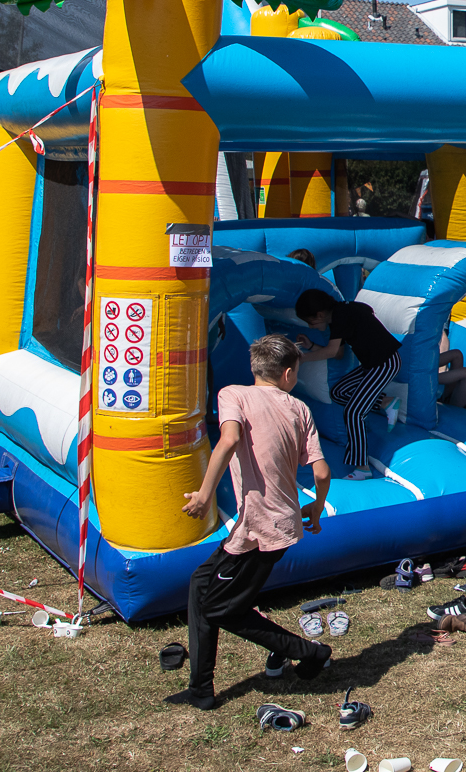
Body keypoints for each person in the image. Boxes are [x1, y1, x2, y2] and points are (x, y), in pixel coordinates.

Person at [170, 334, 332, 710]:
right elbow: (322, 472)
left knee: (220, 608)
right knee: (202, 586)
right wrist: (317, 507)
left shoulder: (233, 394)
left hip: (261, 529)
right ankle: (200, 688)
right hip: (277, 522)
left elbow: (227, 441)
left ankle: (311, 652)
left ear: (255, 367)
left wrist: (204, 495)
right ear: (289, 373)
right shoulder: (299, 409)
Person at [292, 289, 402, 480]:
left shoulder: (342, 314)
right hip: (372, 365)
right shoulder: (340, 315)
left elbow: (331, 351)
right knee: (339, 391)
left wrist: (302, 359)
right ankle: (386, 403)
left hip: (385, 363)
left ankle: (362, 468)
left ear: (319, 314)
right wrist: (310, 346)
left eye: (311, 322)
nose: (312, 326)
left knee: (353, 412)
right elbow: (337, 353)